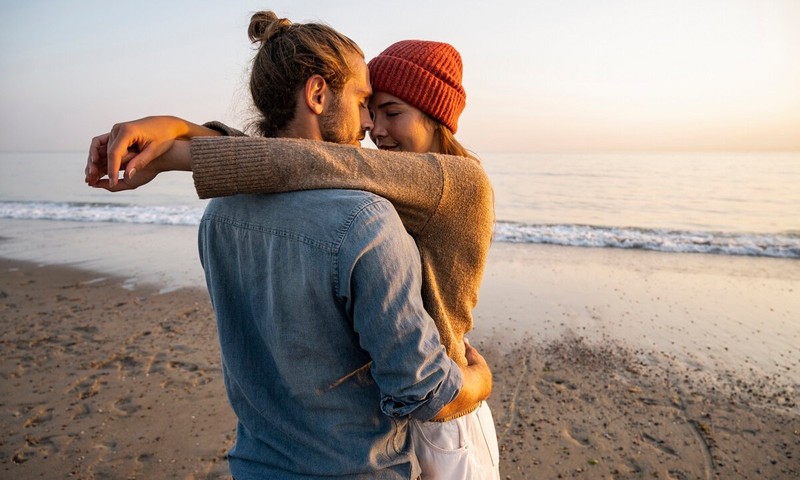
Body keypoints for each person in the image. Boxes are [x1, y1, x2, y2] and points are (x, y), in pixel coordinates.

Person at [89, 11, 494, 479]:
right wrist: (479, 384)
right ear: (318, 93)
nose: (371, 126)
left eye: (390, 111)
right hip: (404, 425)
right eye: (367, 103)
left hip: (267, 460)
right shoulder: (367, 218)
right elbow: (314, 165)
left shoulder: (220, 214)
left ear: (436, 115)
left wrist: (185, 141)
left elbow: (315, 164)